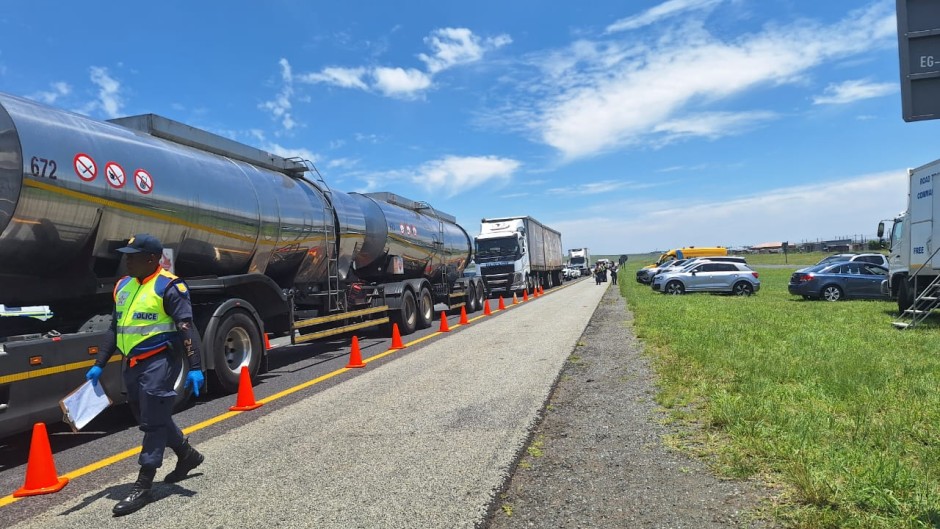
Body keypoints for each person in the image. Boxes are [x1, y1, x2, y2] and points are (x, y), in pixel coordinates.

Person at [85, 234, 206, 516]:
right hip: (132, 363)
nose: (126, 260)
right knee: (147, 415)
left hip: (158, 362)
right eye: (126, 255)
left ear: (152, 259)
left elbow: (186, 327)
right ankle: (187, 455)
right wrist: (100, 363)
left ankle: (144, 484)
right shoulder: (123, 286)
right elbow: (116, 327)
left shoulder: (170, 286)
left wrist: (196, 367)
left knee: (151, 422)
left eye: (132, 256)